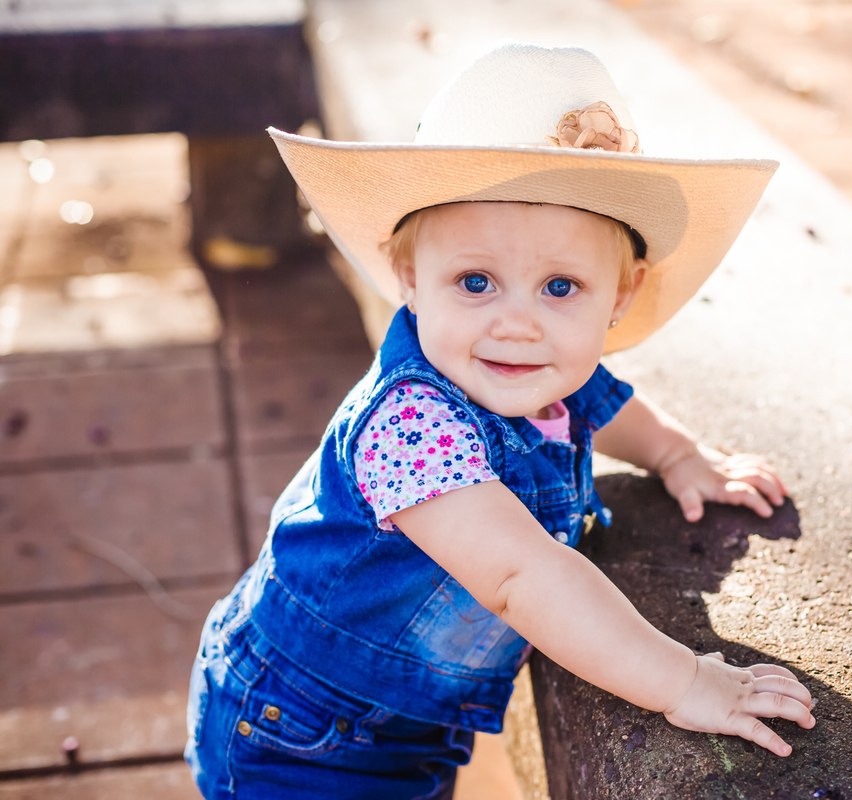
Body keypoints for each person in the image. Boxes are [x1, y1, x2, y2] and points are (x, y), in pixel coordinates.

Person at [185, 42, 815, 800]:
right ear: (412, 278)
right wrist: (684, 682)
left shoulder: (535, 369)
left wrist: (677, 453)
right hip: (301, 733)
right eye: (476, 281)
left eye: (560, 286)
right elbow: (523, 576)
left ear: (619, 294)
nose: (518, 325)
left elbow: (607, 404)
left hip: (398, 723)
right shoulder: (409, 425)